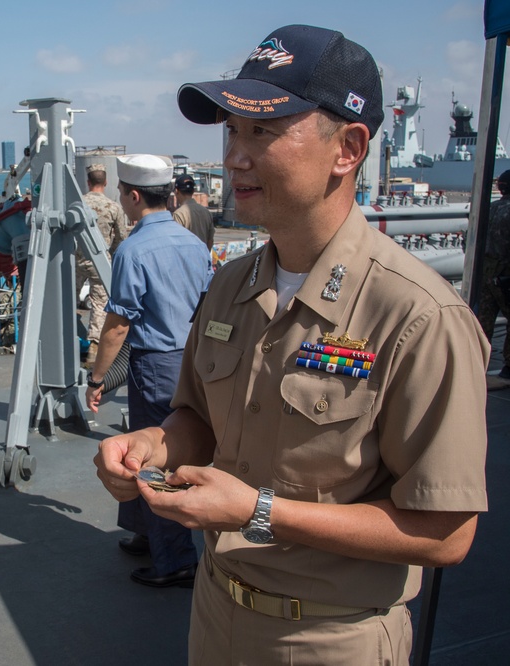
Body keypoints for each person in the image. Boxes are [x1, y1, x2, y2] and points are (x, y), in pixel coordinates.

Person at [94, 24, 488, 664]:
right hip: (215, 610)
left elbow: (444, 533)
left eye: (263, 131)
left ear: (348, 148)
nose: (233, 157)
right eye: (231, 131)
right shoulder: (230, 286)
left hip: (331, 637)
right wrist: (150, 446)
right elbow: (195, 416)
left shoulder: (417, 315)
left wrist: (257, 512)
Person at [85, 154, 212, 588]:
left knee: (152, 460)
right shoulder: (194, 244)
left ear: (134, 195)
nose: (121, 200)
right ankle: (146, 533)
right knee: (166, 447)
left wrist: (98, 378)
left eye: (122, 193)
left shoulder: (133, 250)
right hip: (192, 360)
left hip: (155, 366)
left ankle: (175, 559)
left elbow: (117, 326)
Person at [78, 163, 128, 367]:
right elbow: (122, 238)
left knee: (66, 300)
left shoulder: (77, 204)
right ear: (105, 183)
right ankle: (93, 348)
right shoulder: (113, 207)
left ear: (88, 182)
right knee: (99, 304)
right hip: (100, 261)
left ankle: (64, 341)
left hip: (75, 259)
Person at [478, 169, 510, 379]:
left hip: (483, 275)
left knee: (482, 322)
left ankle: (475, 363)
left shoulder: (486, 210)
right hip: (506, 277)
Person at [169, 173, 214, 250]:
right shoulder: (206, 212)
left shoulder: (179, 214)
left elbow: (176, 243)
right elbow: (210, 240)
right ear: (193, 191)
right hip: (203, 259)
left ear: (177, 191)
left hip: (186, 260)